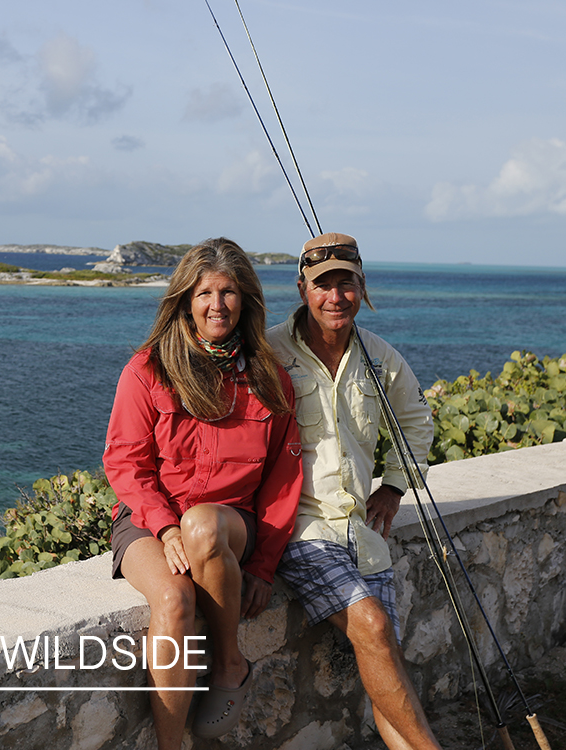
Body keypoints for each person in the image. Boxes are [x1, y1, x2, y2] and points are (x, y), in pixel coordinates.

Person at [103, 237, 303, 749]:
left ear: (247, 299)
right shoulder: (147, 370)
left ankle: (230, 662)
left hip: (229, 524)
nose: (218, 305)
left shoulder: (270, 379)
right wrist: (164, 524)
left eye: (229, 291)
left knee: (204, 524)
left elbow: (283, 482)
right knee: (172, 599)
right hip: (149, 519)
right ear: (186, 301)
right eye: (205, 292)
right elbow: (125, 461)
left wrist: (261, 567)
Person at [266, 232, 441, 750]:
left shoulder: (383, 358)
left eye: (347, 284)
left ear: (363, 289)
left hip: (362, 534)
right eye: (323, 285)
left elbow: (416, 424)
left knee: (385, 653)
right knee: (371, 623)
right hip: (298, 525)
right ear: (302, 289)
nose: (335, 297)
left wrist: (394, 487)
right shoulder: (269, 350)